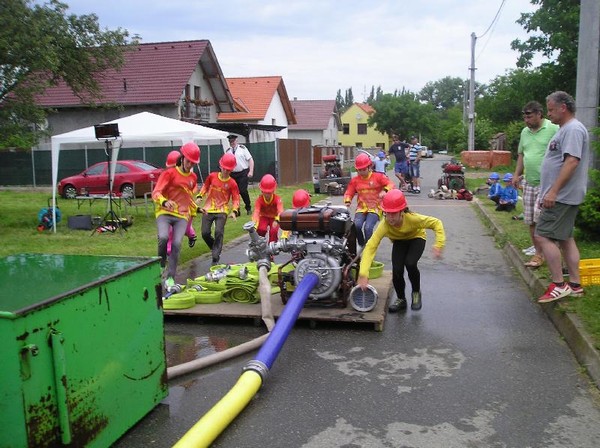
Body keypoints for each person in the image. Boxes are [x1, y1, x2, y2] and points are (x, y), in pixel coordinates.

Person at [536, 91, 589, 303]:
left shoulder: (573, 129)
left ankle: (559, 285)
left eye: (550, 109)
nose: (548, 114)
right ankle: (575, 285)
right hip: (562, 195)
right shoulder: (566, 129)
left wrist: (553, 191)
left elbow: (571, 161)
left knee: (543, 236)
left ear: (563, 107)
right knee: (566, 239)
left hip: (561, 196)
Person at [357, 189, 445, 312]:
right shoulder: (384, 225)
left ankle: (416, 293)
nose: (390, 217)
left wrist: (438, 244)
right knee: (397, 270)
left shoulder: (413, 219)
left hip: (416, 238)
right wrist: (363, 274)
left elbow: (436, 223)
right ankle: (401, 299)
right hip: (399, 241)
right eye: (388, 213)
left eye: (394, 213)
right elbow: (370, 247)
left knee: (410, 263)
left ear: (402, 212)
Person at [513, 101, 559, 268]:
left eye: (529, 116)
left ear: (540, 114)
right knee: (531, 220)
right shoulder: (525, 132)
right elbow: (521, 155)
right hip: (529, 181)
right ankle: (538, 253)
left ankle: (546, 252)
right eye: (524, 116)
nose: (526, 120)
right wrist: (517, 174)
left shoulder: (553, 128)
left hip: (547, 183)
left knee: (542, 218)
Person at [152, 142, 201, 290]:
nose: (190, 164)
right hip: (164, 212)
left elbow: (188, 198)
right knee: (163, 238)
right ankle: (161, 265)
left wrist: (197, 209)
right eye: (188, 160)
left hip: (181, 216)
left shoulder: (193, 177)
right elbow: (156, 192)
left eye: (193, 162)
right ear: (182, 157)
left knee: (177, 244)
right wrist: (164, 201)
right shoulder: (169, 173)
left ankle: (171, 278)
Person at [344, 153, 395, 249]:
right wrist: (348, 200)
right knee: (356, 225)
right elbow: (349, 191)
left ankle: (370, 247)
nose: (362, 172)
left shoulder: (378, 177)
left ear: (369, 167)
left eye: (364, 169)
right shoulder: (355, 180)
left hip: (375, 208)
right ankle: (361, 244)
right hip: (361, 208)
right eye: (359, 170)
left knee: (368, 228)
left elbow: (390, 184)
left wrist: (385, 191)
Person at [197, 153, 241, 265]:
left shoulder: (232, 183)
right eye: (225, 168)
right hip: (208, 209)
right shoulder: (212, 176)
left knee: (218, 231)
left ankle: (215, 258)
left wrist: (234, 211)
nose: (226, 171)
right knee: (205, 233)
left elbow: (236, 198)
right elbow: (205, 187)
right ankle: (215, 248)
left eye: (229, 170)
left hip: (222, 210)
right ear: (221, 166)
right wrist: (199, 196)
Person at [164, 150, 197, 255]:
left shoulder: (189, 176)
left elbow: (194, 187)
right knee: (170, 230)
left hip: (186, 210)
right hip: (171, 208)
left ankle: (192, 235)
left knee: (185, 230)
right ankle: (169, 251)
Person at [225, 134, 254, 215]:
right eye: (230, 141)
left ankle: (248, 207)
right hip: (232, 174)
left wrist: (251, 171)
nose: (232, 143)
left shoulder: (243, 149)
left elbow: (250, 160)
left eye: (233, 141)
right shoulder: (228, 151)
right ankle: (236, 210)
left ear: (236, 140)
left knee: (243, 191)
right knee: (234, 192)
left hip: (243, 172)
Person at [252, 174, 284, 244]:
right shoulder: (259, 200)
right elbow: (256, 212)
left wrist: (277, 220)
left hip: (274, 218)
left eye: (269, 193)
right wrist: (254, 224)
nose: (267, 195)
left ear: (273, 191)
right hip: (264, 217)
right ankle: (260, 244)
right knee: (261, 229)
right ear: (261, 191)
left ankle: (272, 247)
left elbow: (280, 211)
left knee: (274, 231)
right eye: (265, 192)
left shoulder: (277, 199)